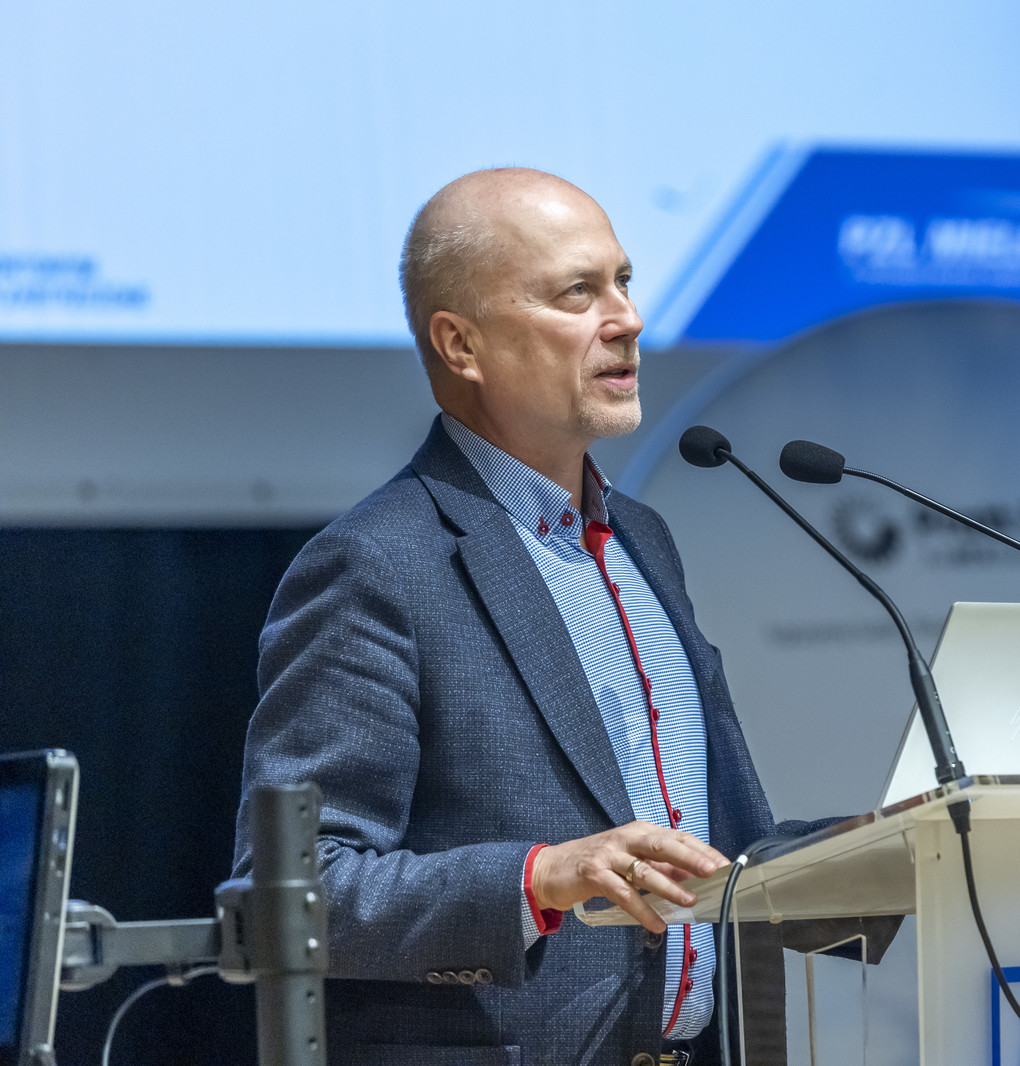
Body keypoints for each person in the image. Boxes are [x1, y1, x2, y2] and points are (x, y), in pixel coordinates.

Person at [233, 168, 800, 1065]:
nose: (627, 318)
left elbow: (715, 841)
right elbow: (298, 894)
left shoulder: (643, 540)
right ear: (460, 344)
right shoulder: (377, 565)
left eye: (624, 281)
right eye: (577, 292)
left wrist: (868, 849)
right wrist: (539, 877)